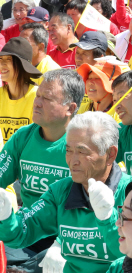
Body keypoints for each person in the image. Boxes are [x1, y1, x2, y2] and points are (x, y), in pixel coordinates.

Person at [0, 111, 129, 273]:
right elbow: (23, 231)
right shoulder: (61, 191)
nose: (72, 160)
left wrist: (108, 219)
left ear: (110, 155)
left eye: (82, 151)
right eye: (68, 150)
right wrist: (6, 217)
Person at [0, 68, 83, 211]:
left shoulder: (85, 144)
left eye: (47, 98)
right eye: (37, 95)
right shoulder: (23, 136)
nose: (37, 103)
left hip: (65, 230)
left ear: (70, 108)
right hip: (27, 227)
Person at [0, 37, 42, 145]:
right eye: (0, 59)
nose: (2, 64)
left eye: (8, 59)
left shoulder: (38, 97)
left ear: (22, 64)